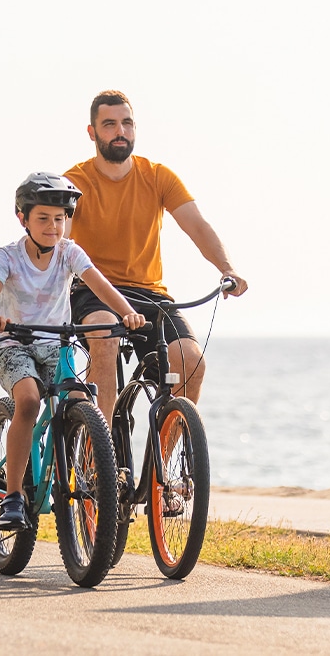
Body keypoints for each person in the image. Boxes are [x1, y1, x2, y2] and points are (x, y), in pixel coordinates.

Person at [64, 90, 248, 425]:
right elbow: (56, 241)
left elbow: (197, 226)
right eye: (109, 124)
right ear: (92, 133)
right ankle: (99, 463)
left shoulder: (157, 176)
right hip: (95, 291)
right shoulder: (75, 183)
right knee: (104, 339)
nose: (120, 131)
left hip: (149, 295)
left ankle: (164, 470)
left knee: (191, 362)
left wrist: (227, 268)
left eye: (127, 123)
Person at [0, 172, 146, 531]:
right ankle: (12, 496)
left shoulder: (69, 252)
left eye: (60, 219)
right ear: (22, 218)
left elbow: (100, 285)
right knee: (27, 401)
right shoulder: (7, 256)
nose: (53, 227)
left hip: (57, 344)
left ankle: (84, 471)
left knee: (79, 399)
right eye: (43, 218)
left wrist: (127, 312)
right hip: (14, 343)